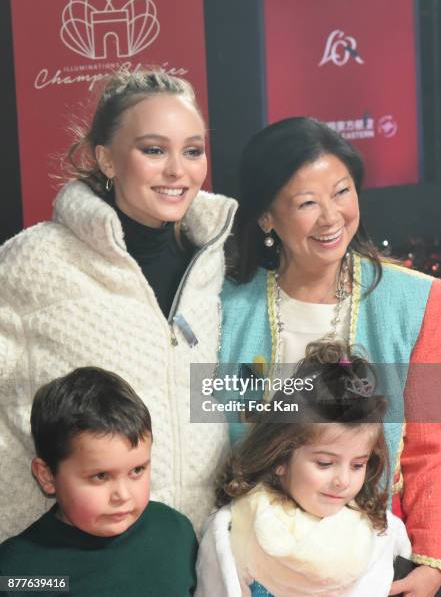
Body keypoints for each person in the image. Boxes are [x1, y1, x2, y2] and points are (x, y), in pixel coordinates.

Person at [0, 69, 237, 541]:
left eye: (192, 150)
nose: (178, 170)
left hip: (196, 549)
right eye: (153, 150)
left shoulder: (214, 264)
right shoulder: (33, 262)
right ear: (106, 158)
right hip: (64, 556)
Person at [220, 117, 441, 595]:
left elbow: (430, 446)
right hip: (259, 559)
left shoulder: (416, 303)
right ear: (266, 217)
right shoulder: (224, 310)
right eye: (306, 203)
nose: (331, 217)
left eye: (342, 192)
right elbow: (209, 432)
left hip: (376, 556)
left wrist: (431, 563)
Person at [196, 341, 411, 596]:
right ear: (280, 459)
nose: (343, 480)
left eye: (357, 465)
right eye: (324, 463)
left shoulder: (382, 535)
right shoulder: (235, 530)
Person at [0, 367, 197, 596]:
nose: (123, 495)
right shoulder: (19, 572)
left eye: (137, 470)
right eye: (100, 476)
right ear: (47, 476)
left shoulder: (175, 533)